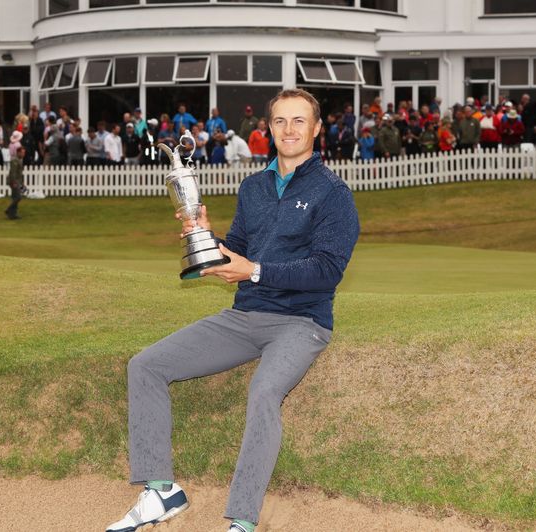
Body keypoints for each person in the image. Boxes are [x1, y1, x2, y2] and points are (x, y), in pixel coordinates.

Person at [106, 88, 359, 532]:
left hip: (302, 323)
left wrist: (255, 271)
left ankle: (242, 520)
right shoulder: (254, 187)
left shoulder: (333, 193)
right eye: (280, 121)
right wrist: (207, 238)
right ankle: (162, 491)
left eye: (300, 121)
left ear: (317, 129)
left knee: (263, 392)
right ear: (269, 128)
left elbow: (327, 270)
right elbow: (238, 251)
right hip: (244, 318)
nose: (289, 129)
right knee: (145, 365)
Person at [5, 146, 26, 220]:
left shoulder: (18, 160)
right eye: (22, 153)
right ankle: (9, 210)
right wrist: (13, 182)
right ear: (18, 152)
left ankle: (12, 214)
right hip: (14, 181)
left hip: (17, 181)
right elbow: (13, 172)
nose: (24, 154)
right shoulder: (14, 160)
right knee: (18, 197)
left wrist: (22, 183)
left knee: (15, 197)